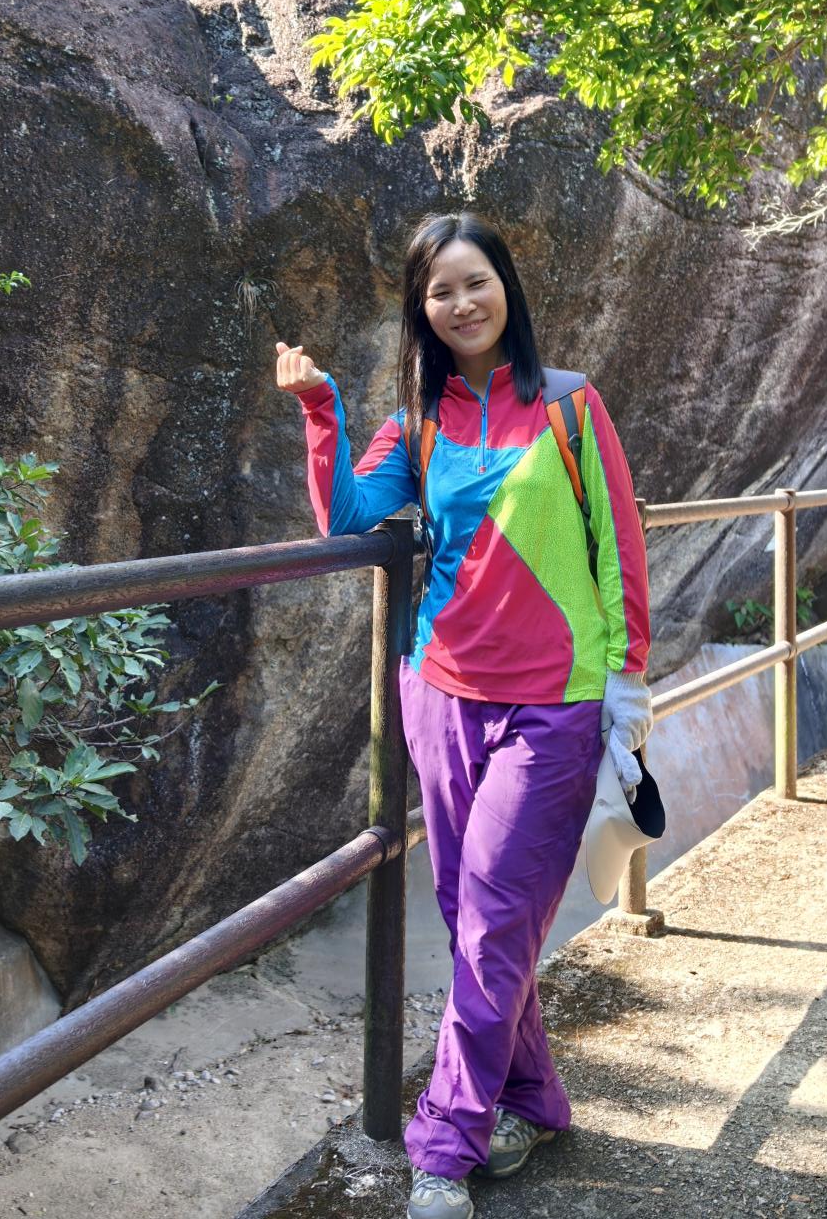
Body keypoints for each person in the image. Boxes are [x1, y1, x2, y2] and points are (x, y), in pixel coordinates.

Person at [274, 210, 651, 1219]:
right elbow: (349, 518)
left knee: (490, 922)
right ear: (422, 309)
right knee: (473, 916)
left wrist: (629, 683)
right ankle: (532, 1099)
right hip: (439, 691)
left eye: (475, 281)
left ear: (505, 289)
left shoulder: (569, 406)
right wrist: (320, 408)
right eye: (440, 290)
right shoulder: (420, 418)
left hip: (553, 702)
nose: (461, 302)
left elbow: (619, 547)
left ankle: (444, 1144)